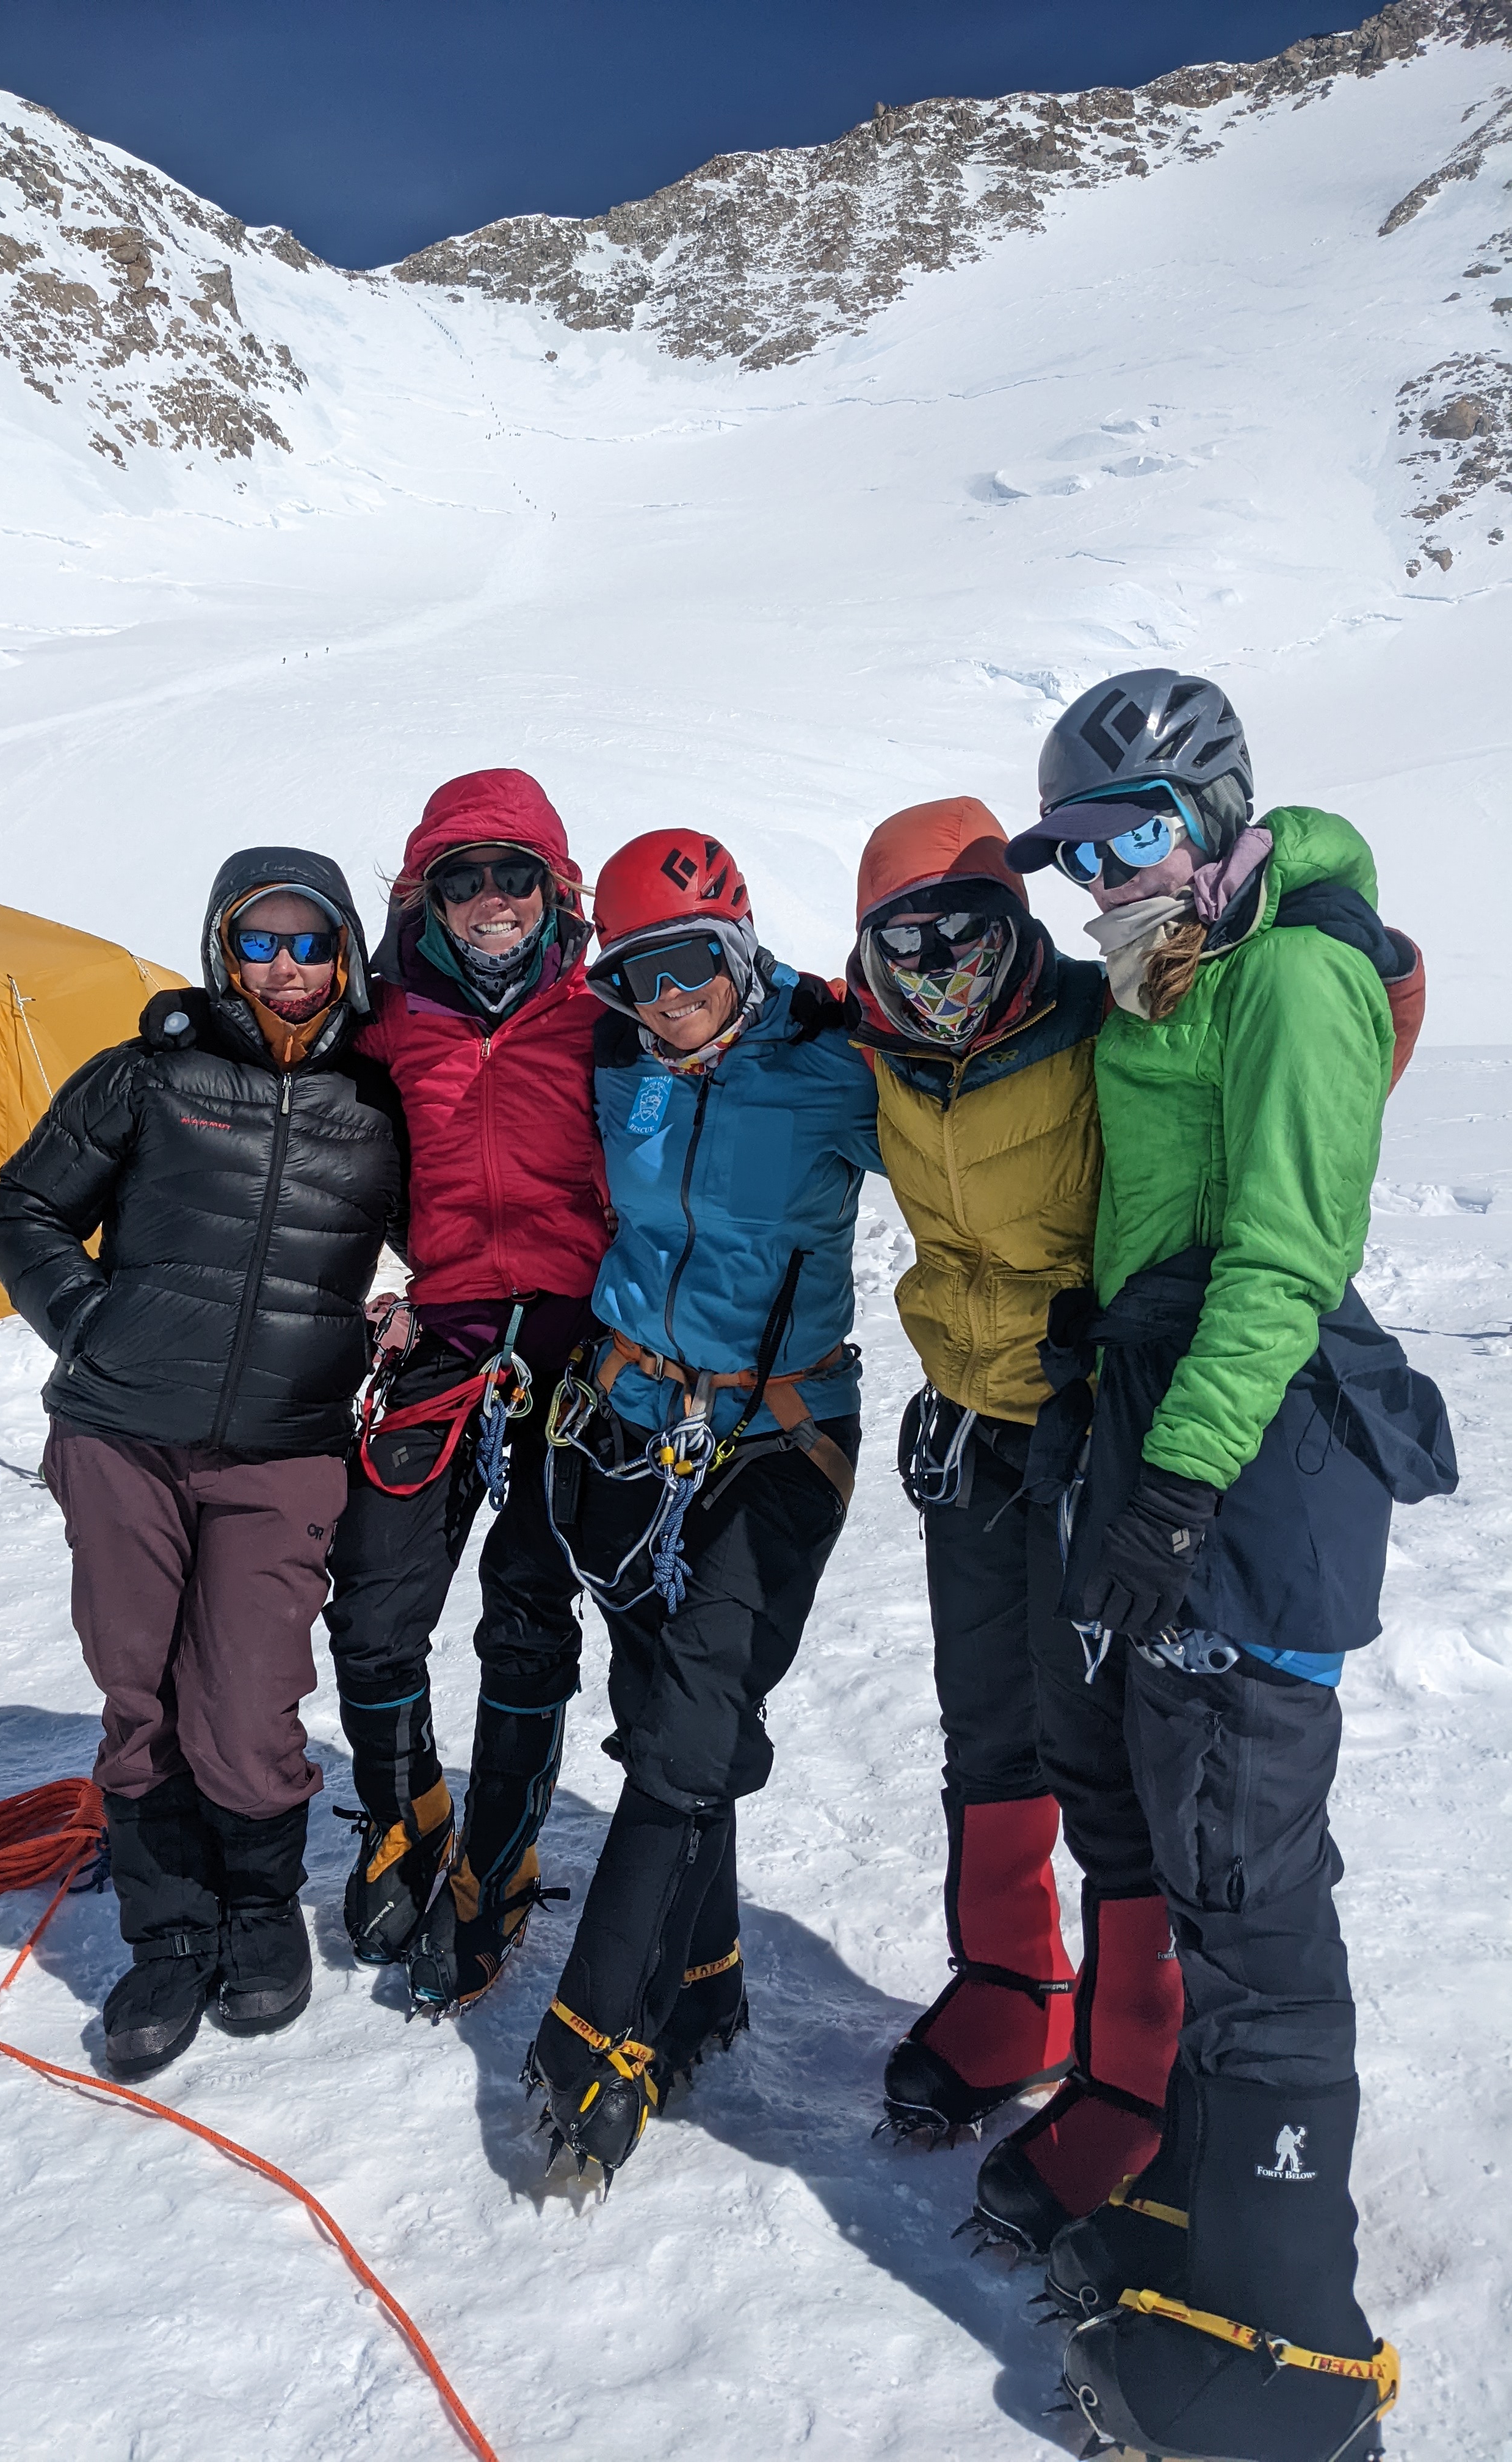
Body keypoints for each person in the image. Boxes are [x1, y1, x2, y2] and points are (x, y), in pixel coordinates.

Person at [1001, 672, 1445, 2462]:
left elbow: (1279, 1258)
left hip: (1251, 1477)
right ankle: (1209, 2221)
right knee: (1197, 1855)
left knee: (1252, 1897)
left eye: (1131, 832)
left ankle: (1300, 2370)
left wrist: (1172, 1494)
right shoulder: (1175, 971)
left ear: (1216, 815)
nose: (1098, 870)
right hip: (1168, 1427)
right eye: (1076, 845)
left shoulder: (1294, 977)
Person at [0, 852, 408, 2079]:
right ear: (225, 948)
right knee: (140, 1689)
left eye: (310, 944)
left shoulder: (383, 1103)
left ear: (346, 956)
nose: (286, 968)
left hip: (284, 1450)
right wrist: (92, 1323)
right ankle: (168, 1934)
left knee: (249, 1702)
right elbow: (25, 1210)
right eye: (260, 943)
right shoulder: (147, 1075)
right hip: (123, 1434)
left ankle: (262, 1912)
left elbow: (465, 1237)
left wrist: (415, 1315)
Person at [524, 830, 884, 2181]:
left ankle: (597, 2026)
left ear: (742, 946)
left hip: (782, 1438)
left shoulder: (833, 1063)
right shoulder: (617, 1061)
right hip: (625, 1427)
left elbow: (992, 1148)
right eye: (637, 975)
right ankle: (711, 1974)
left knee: (689, 1729)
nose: (666, 997)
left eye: (692, 964)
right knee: (666, 1711)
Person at [847, 797, 1181, 2254]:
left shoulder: (1113, 1018)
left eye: (967, 930)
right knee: (987, 1721)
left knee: (1102, 1751)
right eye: (905, 938)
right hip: (968, 1423)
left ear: (1018, 924)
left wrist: (1354, 960)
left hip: (1094, 1429)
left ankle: (1138, 2070)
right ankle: (1012, 1985)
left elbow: (1336, 1047)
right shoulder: (865, 1049)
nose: (940, 964)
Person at [325, 768, 610, 2016]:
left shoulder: (611, 1008)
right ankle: (405, 1815)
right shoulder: (387, 1026)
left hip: (576, 1340)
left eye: (514, 875)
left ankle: (498, 1859)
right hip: (442, 1335)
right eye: (462, 877)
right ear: (423, 898)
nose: (490, 901)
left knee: (530, 1604)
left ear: (557, 888)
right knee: (377, 1593)